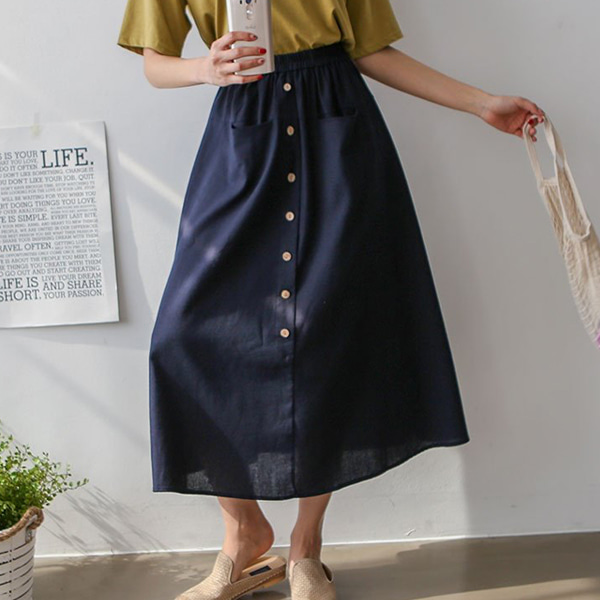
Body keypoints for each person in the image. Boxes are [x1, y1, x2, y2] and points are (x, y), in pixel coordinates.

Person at [117, 1, 544, 599]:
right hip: (244, 137)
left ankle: (306, 548)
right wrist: (204, 69)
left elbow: (369, 50)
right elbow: (154, 63)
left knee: (324, 333)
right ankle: (243, 532)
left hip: (338, 137)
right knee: (182, 338)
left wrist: (479, 103)